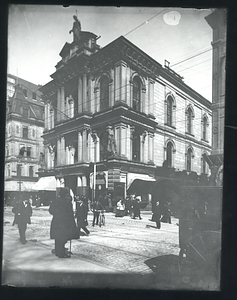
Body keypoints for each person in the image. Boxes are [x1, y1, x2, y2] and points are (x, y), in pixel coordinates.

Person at [49, 188, 79, 258]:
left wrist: (57, 214)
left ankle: (57, 251)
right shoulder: (67, 202)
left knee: (58, 237)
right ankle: (61, 253)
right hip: (65, 222)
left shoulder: (55, 201)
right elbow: (70, 214)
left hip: (56, 221)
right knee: (63, 237)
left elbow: (51, 210)